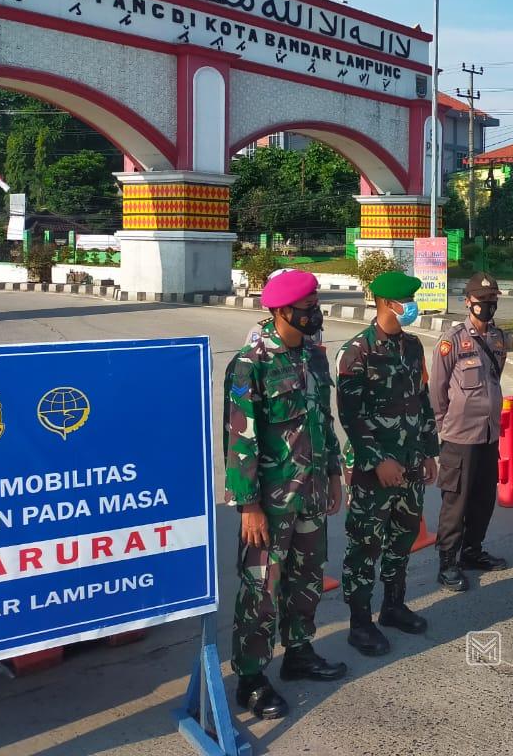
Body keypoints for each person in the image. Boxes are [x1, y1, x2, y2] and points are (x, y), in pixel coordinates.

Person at [224, 269, 346, 721]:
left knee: (307, 578)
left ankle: (299, 652)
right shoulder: (250, 363)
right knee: (262, 587)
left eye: (316, 305)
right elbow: (240, 440)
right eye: (307, 307)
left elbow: (323, 421)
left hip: (311, 492)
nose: (315, 313)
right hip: (271, 502)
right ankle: (251, 678)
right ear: (281, 311)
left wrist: (333, 474)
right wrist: (249, 505)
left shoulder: (314, 356)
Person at [335, 271, 439, 656]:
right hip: (372, 470)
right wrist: (378, 461)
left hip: (410, 464)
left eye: (412, 301)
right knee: (365, 546)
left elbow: (422, 399)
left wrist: (429, 450)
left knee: (402, 538)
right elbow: (350, 415)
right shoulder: (356, 351)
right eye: (405, 302)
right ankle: (360, 623)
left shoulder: (412, 346)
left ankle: (393, 606)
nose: (412, 307)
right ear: (385, 304)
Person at [430, 272, 509, 591]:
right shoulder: (452, 340)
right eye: (482, 301)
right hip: (459, 437)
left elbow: (494, 378)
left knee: (483, 498)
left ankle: (472, 551)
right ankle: (447, 562)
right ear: (468, 302)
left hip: (489, 434)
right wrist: (445, 425)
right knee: (456, 502)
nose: (488, 306)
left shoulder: (499, 338)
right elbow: (437, 390)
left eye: (492, 301)